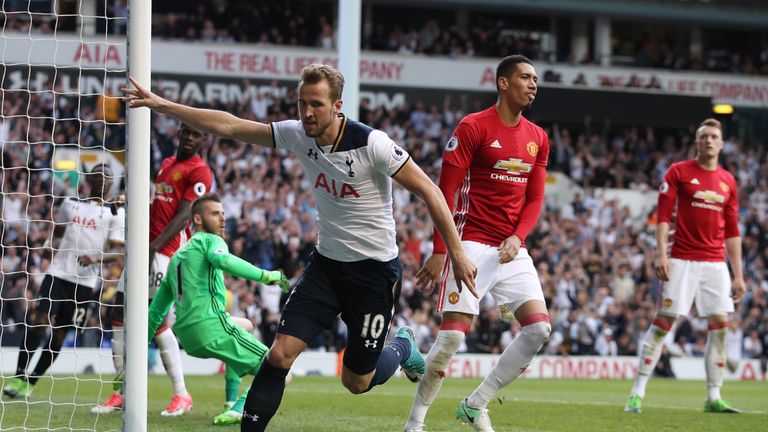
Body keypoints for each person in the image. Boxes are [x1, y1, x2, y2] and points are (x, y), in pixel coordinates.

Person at [122, 63, 477, 432]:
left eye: (317, 104)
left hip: (373, 273)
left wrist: (452, 253)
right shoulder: (296, 135)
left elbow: (430, 191)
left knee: (356, 382)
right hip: (325, 267)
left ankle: (402, 345)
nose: (307, 113)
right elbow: (228, 124)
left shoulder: (372, 144)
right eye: (302, 103)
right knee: (279, 355)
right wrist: (161, 105)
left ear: (338, 106)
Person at [404, 54, 551, 432]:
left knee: (538, 329)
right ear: (503, 83)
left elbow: (534, 199)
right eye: (525, 77)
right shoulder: (473, 127)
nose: (533, 84)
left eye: (535, 78)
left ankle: (476, 404)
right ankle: (415, 423)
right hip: (468, 243)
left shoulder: (538, 138)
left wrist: (519, 237)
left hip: (510, 249)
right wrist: (441, 251)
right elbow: (445, 192)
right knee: (452, 336)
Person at [625, 118, 745, 414]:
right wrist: (661, 255)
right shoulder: (678, 172)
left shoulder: (728, 181)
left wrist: (739, 274)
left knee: (720, 327)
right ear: (696, 142)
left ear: (721, 143)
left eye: (714, 136)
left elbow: (732, 231)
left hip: (715, 264)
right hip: (681, 258)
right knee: (664, 322)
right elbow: (663, 216)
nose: (708, 140)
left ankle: (713, 397)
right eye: (703, 136)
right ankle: (636, 392)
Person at [93, 123, 213, 416]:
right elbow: (157, 205)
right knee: (118, 312)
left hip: (164, 253)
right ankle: (120, 392)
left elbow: (185, 216)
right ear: (179, 133)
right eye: (186, 132)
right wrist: (127, 203)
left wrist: (153, 247)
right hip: (144, 249)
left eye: (195, 134)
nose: (189, 138)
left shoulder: (200, 172)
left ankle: (182, 393)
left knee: (154, 320)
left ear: (202, 139)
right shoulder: (167, 164)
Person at [146, 193, 289, 425]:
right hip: (212, 327)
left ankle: (230, 400)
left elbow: (155, 313)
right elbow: (222, 260)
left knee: (246, 325)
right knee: (282, 368)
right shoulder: (211, 241)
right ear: (198, 220)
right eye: (215, 214)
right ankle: (240, 408)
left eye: (223, 213)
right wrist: (267, 275)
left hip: (188, 338)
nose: (222, 219)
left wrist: (131, 363)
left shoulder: (175, 259)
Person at [3, 164, 124, 399]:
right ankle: (17, 377)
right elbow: (57, 234)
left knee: (59, 333)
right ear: (89, 179)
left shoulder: (116, 213)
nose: (103, 180)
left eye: (108, 177)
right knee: (38, 322)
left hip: (85, 284)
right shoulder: (70, 204)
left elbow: (118, 252)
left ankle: (31, 381)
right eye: (98, 175)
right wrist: (50, 249)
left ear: (112, 183)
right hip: (58, 274)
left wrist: (95, 258)